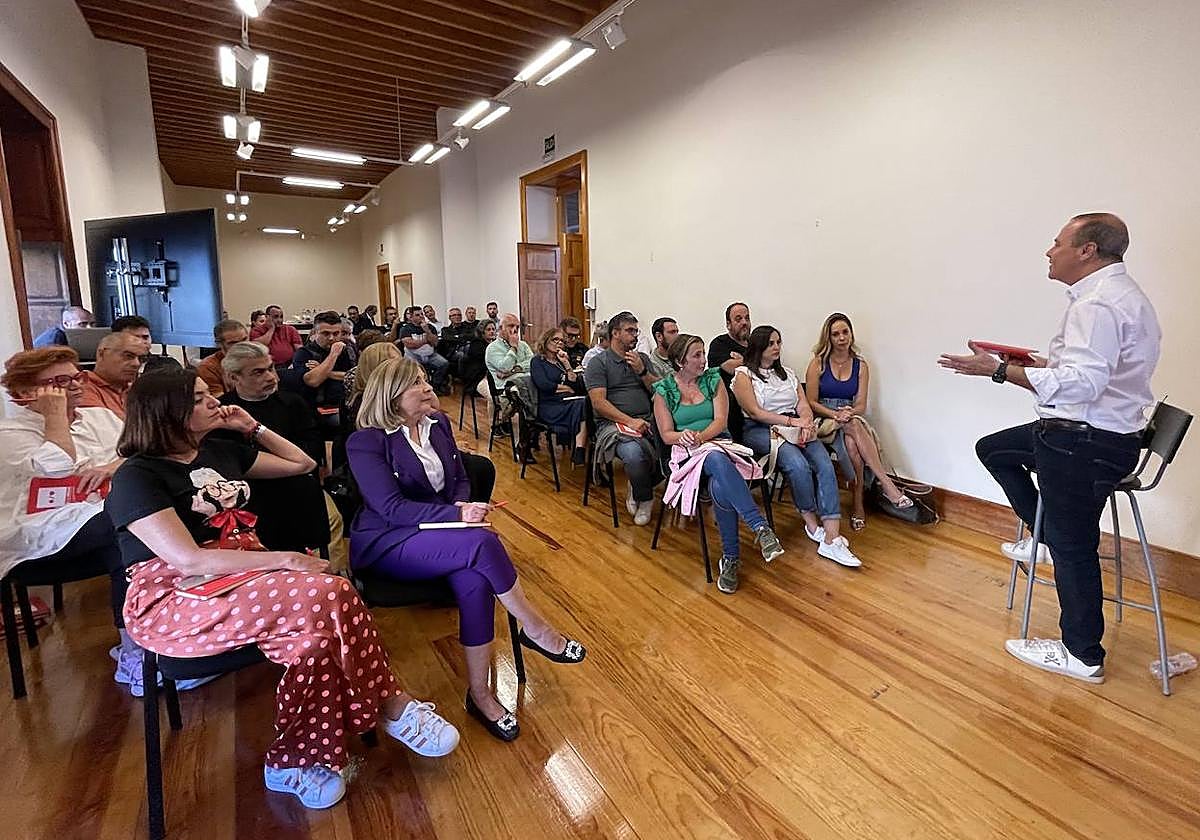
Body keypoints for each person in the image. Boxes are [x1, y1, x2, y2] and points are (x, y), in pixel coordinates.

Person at [106, 368, 458, 808]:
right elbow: (187, 559)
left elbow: (302, 464)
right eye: (198, 399)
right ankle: (390, 703)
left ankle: (291, 761)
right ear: (166, 413)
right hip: (177, 598)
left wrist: (252, 427)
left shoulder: (218, 450)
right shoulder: (137, 477)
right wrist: (285, 559)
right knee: (332, 590)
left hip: (247, 580)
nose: (214, 400)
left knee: (311, 645)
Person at [939, 213, 1159, 684]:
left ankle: (1082, 654)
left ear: (1087, 251)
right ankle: (1047, 535)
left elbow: (1081, 385)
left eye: (1058, 242)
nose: (1048, 250)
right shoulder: (1117, 296)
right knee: (994, 449)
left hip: (1083, 442)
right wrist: (1033, 363)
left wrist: (998, 372)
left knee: (1075, 548)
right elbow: (1087, 371)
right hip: (1094, 435)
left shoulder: (1097, 305)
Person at [348, 358, 586, 742]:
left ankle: (480, 694)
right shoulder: (367, 441)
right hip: (389, 540)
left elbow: (458, 478)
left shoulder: (438, 423)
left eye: (426, 379)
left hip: (443, 534)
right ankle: (536, 627)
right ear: (391, 398)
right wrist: (456, 513)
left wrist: (462, 507)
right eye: (416, 384)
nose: (428, 388)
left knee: (476, 579)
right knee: (483, 542)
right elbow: (390, 508)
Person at [0, 347, 130, 685]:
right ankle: (136, 650)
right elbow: (56, 472)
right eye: (59, 382)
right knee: (127, 527)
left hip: (95, 525)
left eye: (77, 377)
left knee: (135, 527)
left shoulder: (99, 418)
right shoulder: (10, 436)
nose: (74, 386)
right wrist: (55, 416)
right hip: (34, 543)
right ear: (27, 393)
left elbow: (141, 452)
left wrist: (111, 466)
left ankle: (155, 633)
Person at [652, 334, 784, 593]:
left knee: (719, 480)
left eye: (703, 353)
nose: (704, 360)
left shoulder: (713, 380)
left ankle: (731, 558)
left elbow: (720, 422)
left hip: (719, 444)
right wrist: (686, 437)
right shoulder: (663, 390)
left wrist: (701, 438)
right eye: (697, 355)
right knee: (713, 459)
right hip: (686, 456)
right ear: (680, 361)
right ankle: (759, 527)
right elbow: (667, 434)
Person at [733, 326, 860, 567]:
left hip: (794, 424)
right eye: (771, 343)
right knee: (797, 464)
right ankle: (812, 525)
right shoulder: (743, 375)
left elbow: (802, 403)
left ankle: (832, 536)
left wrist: (807, 423)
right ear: (758, 347)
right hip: (761, 429)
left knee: (824, 463)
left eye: (779, 342)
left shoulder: (787, 374)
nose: (777, 347)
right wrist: (792, 422)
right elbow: (754, 411)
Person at [221, 341, 348, 574]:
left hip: (298, 482)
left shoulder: (292, 403)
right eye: (258, 372)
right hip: (251, 491)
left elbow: (312, 449)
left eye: (270, 368)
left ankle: (334, 576)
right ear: (234, 377)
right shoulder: (225, 412)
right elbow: (231, 463)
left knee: (332, 520)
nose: (270, 377)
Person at [804, 313, 912, 530]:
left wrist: (848, 412)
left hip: (849, 416)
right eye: (836, 334)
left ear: (851, 334)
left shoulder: (861, 365)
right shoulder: (818, 364)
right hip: (825, 419)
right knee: (852, 427)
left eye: (845, 332)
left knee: (853, 443)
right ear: (829, 338)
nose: (842, 338)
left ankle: (858, 505)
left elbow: (861, 404)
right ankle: (887, 485)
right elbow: (811, 402)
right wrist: (835, 415)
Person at [584, 311, 661, 525]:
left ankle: (638, 484)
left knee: (675, 449)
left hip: (648, 419)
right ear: (615, 333)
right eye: (630, 331)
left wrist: (642, 370)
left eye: (636, 331)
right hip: (614, 424)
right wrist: (630, 421)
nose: (635, 335)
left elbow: (659, 391)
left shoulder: (642, 359)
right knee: (634, 454)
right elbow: (599, 403)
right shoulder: (599, 363)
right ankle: (645, 498)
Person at [530, 327, 588, 465]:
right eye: (555, 340)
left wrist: (567, 364)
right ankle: (580, 450)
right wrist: (564, 387)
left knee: (587, 403)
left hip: (566, 401)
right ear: (546, 341)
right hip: (548, 405)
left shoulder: (561, 362)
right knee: (582, 405)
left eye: (562, 341)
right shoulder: (538, 361)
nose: (559, 343)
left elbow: (575, 385)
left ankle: (580, 450)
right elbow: (544, 385)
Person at [708, 303, 752, 442]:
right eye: (738, 319)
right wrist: (753, 362)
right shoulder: (719, 344)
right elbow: (732, 369)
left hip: (760, 397)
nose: (744, 322)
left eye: (747, 318)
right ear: (728, 324)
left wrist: (743, 360)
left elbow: (770, 366)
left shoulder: (756, 344)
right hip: (731, 403)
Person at [78, 332, 145, 418]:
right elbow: (107, 427)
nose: (136, 363)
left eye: (141, 359)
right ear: (101, 354)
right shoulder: (80, 387)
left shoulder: (136, 391)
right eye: (128, 356)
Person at [396, 306, 450, 394]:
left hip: (430, 355)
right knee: (415, 369)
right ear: (411, 317)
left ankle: (435, 385)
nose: (421, 316)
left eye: (422, 314)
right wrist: (426, 340)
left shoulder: (430, 327)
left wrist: (427, 330)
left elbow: (435, 343)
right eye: (417, 315)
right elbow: (410, 344)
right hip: (413, 356)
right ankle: (418, 390)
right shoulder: (405, 329)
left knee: (444, 364)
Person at [345, 341, 403, 417]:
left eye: (400, 361)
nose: (402, 366)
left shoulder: (401, 391)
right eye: (393, 362)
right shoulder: (363, 404)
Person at [196, 319, 248, 398]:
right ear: (219, 344)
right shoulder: (208, 367)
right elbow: (221, 403)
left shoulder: (257, 359)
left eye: (244, 340)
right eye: (233, 343)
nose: (242, 346)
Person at [484, 313, 533, 386]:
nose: (515, 329)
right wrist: (513, 348)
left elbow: (532, 363)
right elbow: (505, 368)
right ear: (500, 328)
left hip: (526, 382)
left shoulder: (523, 345)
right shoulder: (492, 348)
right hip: (507, 388)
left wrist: (515, 370)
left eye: (517, 327)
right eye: (511, 326)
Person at [251, 305, 304, 370]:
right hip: (268, 367)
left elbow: (299, 349)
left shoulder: (290, 329)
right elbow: (259, 346)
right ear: (267, 317)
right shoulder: (257, 330)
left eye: (281, 317)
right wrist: (271, 329)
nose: (279, 320)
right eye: (276, 317)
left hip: (290, 365)